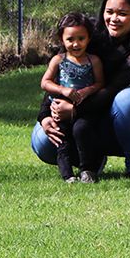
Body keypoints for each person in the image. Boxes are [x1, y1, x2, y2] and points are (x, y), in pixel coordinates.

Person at [31, 0, 130, 179]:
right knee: (41, 141)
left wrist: (74, 111)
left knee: (129, 99)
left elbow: (111, 91)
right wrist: (45, 115)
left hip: (126, 123)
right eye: (109, 12)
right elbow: (61, 76)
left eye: (122, 13)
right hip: (87, 121)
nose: (113, 19)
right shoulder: (87, 35)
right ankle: (90, 160)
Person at [39, 12, 104, 183]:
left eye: (81, 38)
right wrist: (63, 90)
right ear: (62, 40)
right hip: (60, 109)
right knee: (62, 140)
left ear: (89, 38)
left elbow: (100, 83)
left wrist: (87, 91)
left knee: (82, 131)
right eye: (70, 39)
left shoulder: (93, 61)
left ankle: (87, 170)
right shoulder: (58, 60)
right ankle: (68, 175)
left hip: (84, 109)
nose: (76, 44)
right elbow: (45, 82)